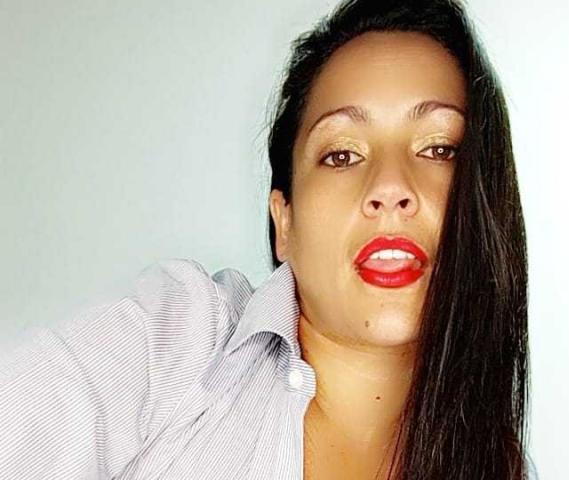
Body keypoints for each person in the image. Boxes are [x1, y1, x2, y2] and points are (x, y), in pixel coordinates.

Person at [0, 0, 536, 479]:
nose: (390, 187)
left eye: (440, 149)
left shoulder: (501, 467)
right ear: (285, 223)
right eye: (341, 155)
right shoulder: (173, 344)